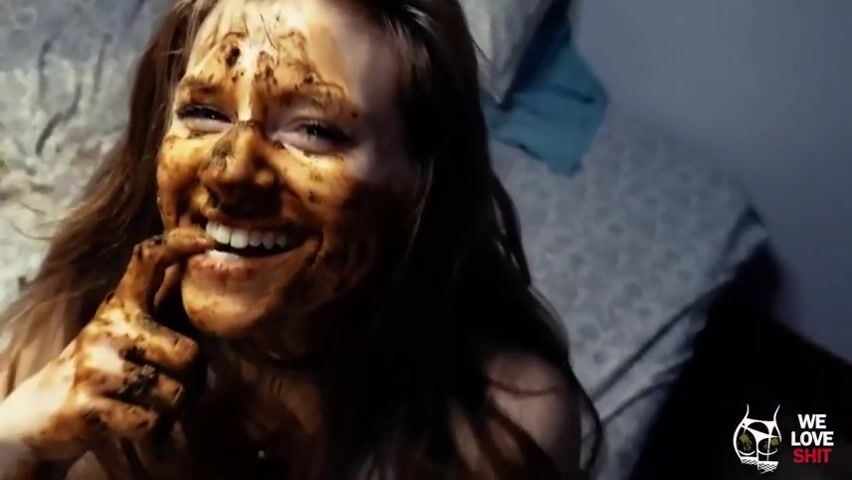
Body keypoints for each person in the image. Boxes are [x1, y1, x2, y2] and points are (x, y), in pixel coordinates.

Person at [0, 0, 600, 478]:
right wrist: (19, 441)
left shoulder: (502, 426)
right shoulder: (65, 343)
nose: (229, 170)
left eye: (314, 129)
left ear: (423, 181)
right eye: (205, 113)